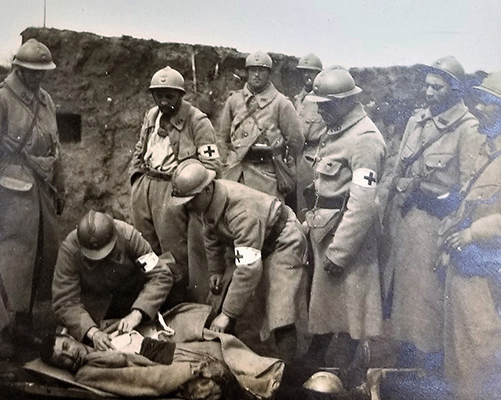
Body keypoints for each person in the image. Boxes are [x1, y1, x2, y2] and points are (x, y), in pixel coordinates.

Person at [381, 56, 481, 369]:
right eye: (426, 85)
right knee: (400, 298)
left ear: (454, 90)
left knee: (426, 303)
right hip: (404, 220)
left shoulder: (468, 129)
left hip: (435, 226)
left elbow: (469, 190)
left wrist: (450, 230)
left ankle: (429, 369)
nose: (428, 92)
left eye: (436, 88)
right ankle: (404, 362)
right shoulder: (417, 119)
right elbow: (397, 168)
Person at [0, 39, 65, 345]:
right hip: (11, 195)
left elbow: (55, 147)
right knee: (11, 263)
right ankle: (5, 330)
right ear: (18, 69)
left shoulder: (45, 99)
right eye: (32, 72)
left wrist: (59, 188)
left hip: (41, 191)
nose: (39, 77)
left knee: (42, 258)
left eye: (42, 72)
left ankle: (26, 323)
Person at [170, 159, 308, 363]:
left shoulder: (242, 211)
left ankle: (290, 369)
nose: (188, 206)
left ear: (207, 190)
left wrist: (227, 314)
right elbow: (211, 235)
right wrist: (216, 270)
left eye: (191, 199)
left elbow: (249, 269)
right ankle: (226, 356)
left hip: (282, 240)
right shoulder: (209, 202)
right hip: (256, 244)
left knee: (281, 309)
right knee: (220, 294)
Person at [303, 67, 385, 379]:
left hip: (349, 235)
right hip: (327, 228)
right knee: (328, 303)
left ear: (344, 102)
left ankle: (348, 367)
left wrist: (340, 251)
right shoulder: (336, 128)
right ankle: (324, 357)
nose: (319, 109)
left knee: (353, 305)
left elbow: (362, 203)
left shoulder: (365, 140)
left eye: (325, 103)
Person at [40, 303, 284, 400]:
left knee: (230, 350)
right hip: (169, 368)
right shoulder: (88, 372)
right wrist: (188, 370)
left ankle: (270, 379)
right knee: (230, 376)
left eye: (66, 347)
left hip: (169, 348)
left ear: (70, 339)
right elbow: (141, 380)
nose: (70, 355)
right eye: (62, 359)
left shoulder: (98, 337)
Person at [128, 66, 221, 307]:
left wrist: (188, 191)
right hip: (146, 186)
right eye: (159, 95)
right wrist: (136, 178)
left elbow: (212, 165)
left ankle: (178, 307)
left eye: (170, 95)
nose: (164, 100)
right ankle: (152, 304)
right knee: (146, 249)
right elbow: (141, 147)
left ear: (180, 95)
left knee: (176, 257)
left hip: (172, 192)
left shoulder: (197, 121)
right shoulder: (151, 116)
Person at [436, 70, 501, 399]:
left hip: (488, 263)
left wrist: (474, 233)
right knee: (461, 346)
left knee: (481, 344)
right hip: (467, 261)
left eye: (489, 103)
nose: (479, 108)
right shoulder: (486, 149)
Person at [52, 210, 175, 350]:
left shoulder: (128, 236)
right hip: (97, 308)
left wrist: (138, 312)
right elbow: (65, 300)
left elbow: (161, 274)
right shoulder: (69, 251)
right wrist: (93, 333)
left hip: (133, 296)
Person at [219, 51, 304, 200]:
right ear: (247, 72)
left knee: (266, 217)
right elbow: (223, 137)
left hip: (266, 174)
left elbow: (296, 140)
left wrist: (283, 162)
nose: (257, 75)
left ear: (269, 73)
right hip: (236, 172)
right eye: (253, 70)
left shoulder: (281, 103)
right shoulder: (234, 100)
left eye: (262, 70)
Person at [292, 53, 327, 218]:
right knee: (300, 207)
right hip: (299, 159)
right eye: (304, 71)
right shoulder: (298, 99)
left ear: (319, 74)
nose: (307, 75)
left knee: (317, 206)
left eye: (311, 72)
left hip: (317, 157)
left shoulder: (325, 100)